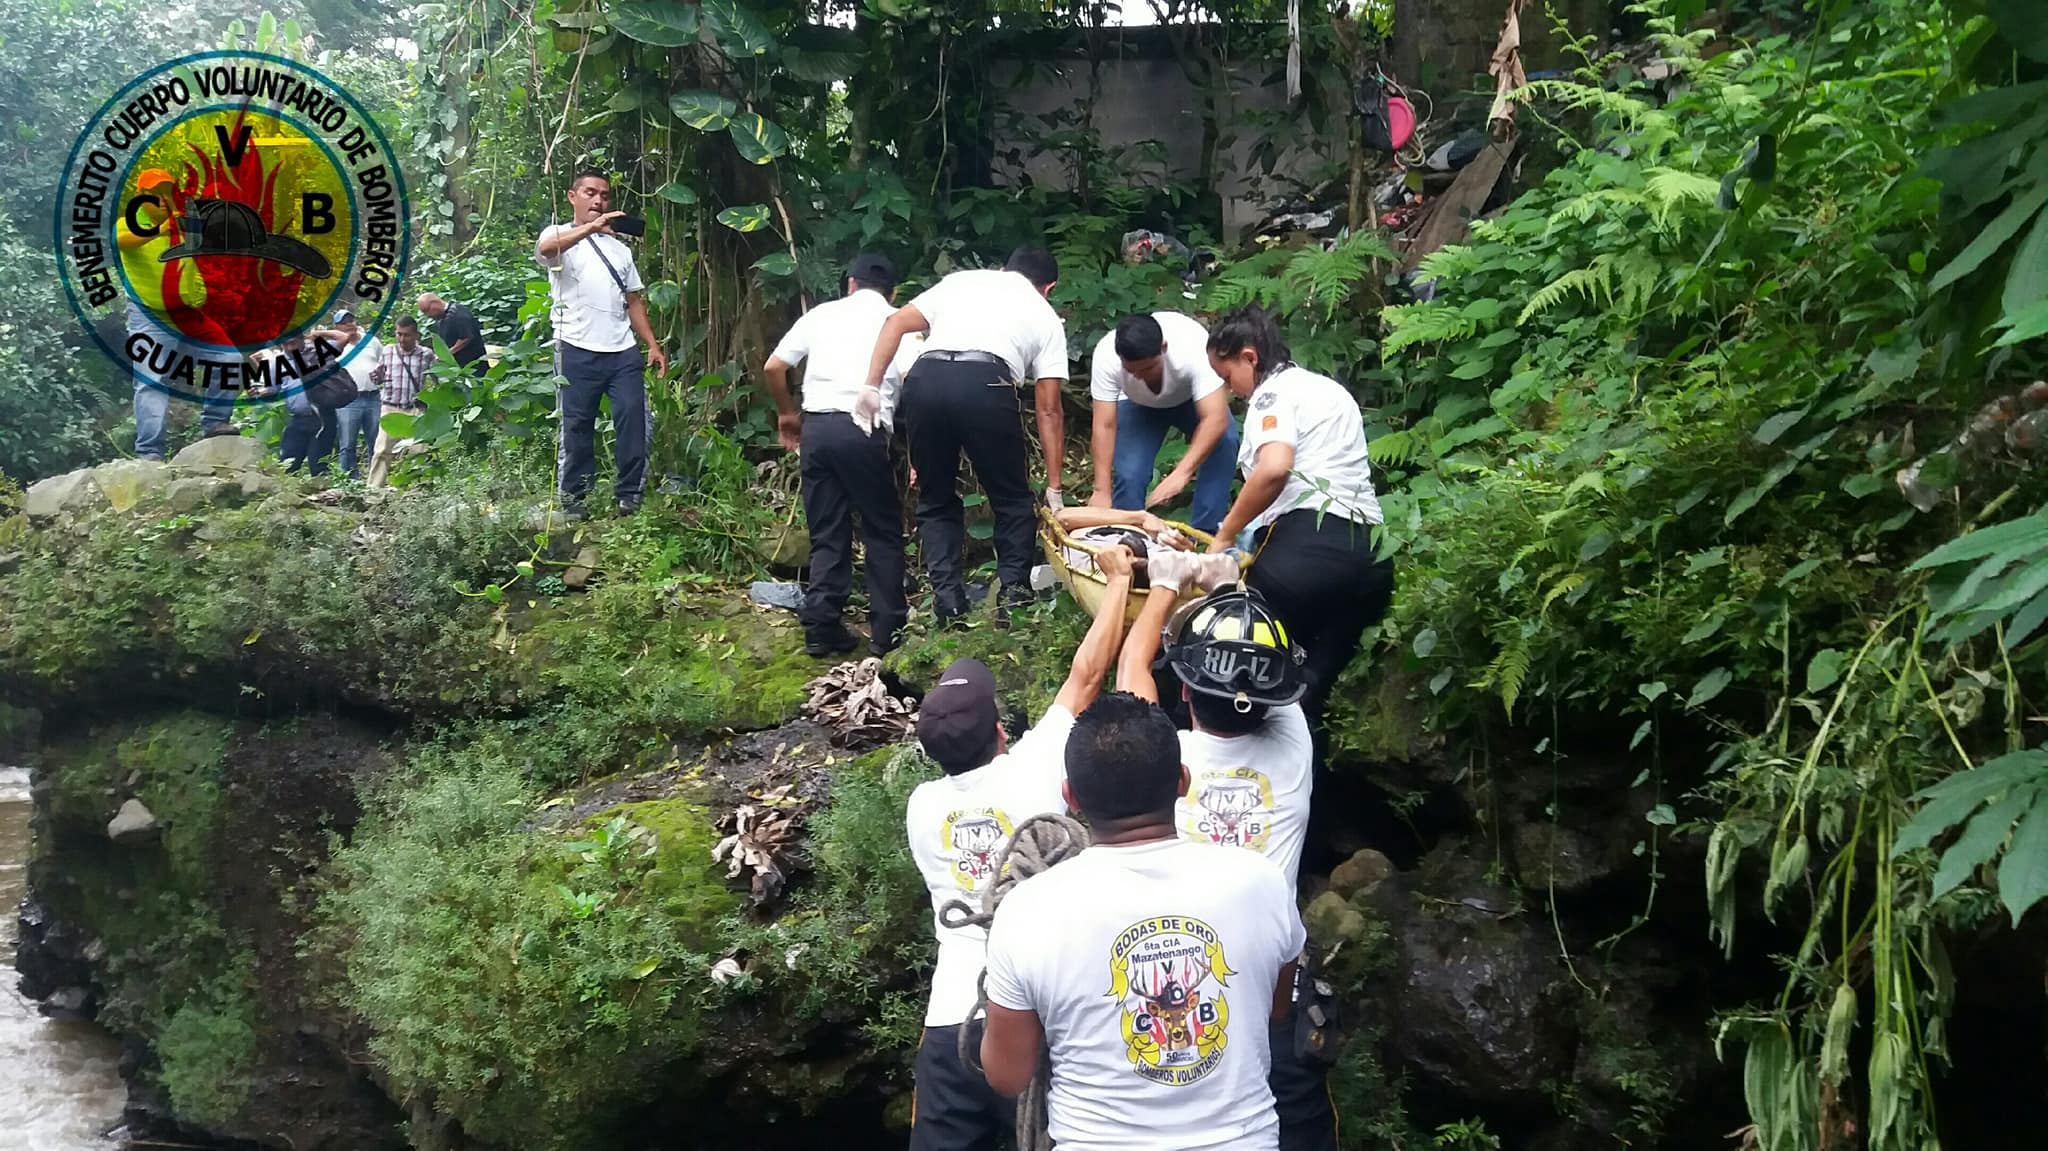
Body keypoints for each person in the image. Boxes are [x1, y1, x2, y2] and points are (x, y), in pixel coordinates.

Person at [980, 690, 1306, 1151]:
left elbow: (1008, 1076)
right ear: (1183, 781)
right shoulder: (1264, 884)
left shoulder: (1025, 912)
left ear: (1070, 796)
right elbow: (1275, 1008)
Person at [904, 545, 1138, 1151]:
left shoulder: (922, 807)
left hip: (949, 1020)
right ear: (1002, 731)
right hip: (1030, 1015)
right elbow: (1087, 676)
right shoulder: (1032, 774)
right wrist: (1117, 582)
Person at [1118, 553, 1338, 1151]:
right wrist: (1230, 586)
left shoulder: (1159, 760)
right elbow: (1270, 674)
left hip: (1185, 994)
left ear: (1183, 693)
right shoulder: (1293, 754)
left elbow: (1133, 666)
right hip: (1277, 1000)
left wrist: (1163, 583)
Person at [1205, 305, 1394, 727]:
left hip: (1309, 553)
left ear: (1249, 357)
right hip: (1372, 560)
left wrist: (1224, 537)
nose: (1230, 390)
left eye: (1227, 376)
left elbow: (1273, 468)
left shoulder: (1271, 394)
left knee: (1239, 666)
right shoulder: (1326, 390)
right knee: (1305, 694)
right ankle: (1309, 783)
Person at [861, 248, 1069, 623]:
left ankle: (948, 602)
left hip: (925, 379)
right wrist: (1054, 486)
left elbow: (894, 324)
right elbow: (1049, 408)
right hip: (986, 383)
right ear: (1048, 288)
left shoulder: (960, 281)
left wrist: (871, 387)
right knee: (1011, 498)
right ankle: (1013, 597)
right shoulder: (1046, 316)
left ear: (1004, 268)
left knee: (936, 497)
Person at [762, 253, 909, 657]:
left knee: (828, 530)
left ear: (850, 284)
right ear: (892, 291)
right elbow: (913, 379)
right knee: (881, 531)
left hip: (818, 428)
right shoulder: (900, 321)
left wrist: (788, 414)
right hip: (864, 429)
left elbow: (774, 368)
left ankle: (821, 626)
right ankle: (887, 635)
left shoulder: (822, 315)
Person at [536, 170, 669, 517]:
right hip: (575, 347)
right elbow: (546, 250)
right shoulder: (559, 234)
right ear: (572, 196)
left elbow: (634, 301)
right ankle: (575, 503)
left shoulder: (620, 250)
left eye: (604, 196)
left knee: (633, 420)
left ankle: (629, 498)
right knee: (576, 427)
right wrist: (590, 230)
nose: (598, 201)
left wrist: (652, 345)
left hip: (621, 350)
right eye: (590, 193)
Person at [1087, 312, 1240, 534]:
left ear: (1164, 348)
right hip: (1135, 404)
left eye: (1147, 368)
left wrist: (1181, 473)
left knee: (1225, 441)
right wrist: (1101, 489)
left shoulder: (1193, 347)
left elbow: (1215, 419)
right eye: (1131, 371)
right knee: (1130, 472)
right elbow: (1104, 425)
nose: (1139, 376)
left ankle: (1206, 536)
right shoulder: (1106, 357)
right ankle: (1127, 538)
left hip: (1190, 398)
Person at [117, 171, 232, 458]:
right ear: (140, 197)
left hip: (187, 313)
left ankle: (215, 422)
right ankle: (150, 454)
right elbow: (124, 242)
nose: (162, 198)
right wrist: (161, 230)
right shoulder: (125, 224)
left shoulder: (183, 226)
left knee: (228, 358)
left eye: (167, 191)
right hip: (149, 316)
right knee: (151, 380)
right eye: (155, 193)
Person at [307, 308, 383, 479]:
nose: (349, 324)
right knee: (347, 443)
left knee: (375, 440)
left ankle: (374, 480)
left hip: (372, 396)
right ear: (337, 327)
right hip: (348, 400)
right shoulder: (332, 347)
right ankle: (350, 480)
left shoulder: (371, 341)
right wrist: (323, 333)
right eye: (344, 322)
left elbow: (381, 361)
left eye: (351, 320)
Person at [368, 317, 434, 489]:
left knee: (419, 451)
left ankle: (417, 490)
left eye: (407, 335)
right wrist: (378, 376)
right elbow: (377, 378)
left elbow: (439, 377)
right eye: (399, 334)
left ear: (416, 335)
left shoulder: (426, 354)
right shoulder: (388, 351)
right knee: (382, 450)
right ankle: (373, 490)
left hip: (415, 409)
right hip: (391, 407)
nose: (402, 339)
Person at [416, 292, 488, 376]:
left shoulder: (458, 314)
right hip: (458, 366)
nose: (427, 315)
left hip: (473, 365)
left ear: (434, 303)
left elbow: (466, 338)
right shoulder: (442, 318)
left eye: (427, 311)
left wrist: (447, 354)